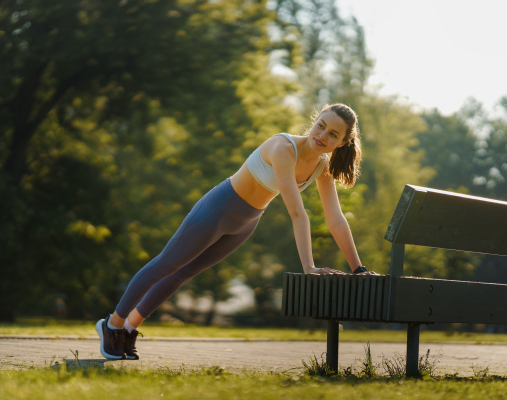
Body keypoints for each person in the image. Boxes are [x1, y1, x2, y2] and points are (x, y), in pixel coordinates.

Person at [96, 103, 375, 360]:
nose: (323, 135)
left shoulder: (322, 167)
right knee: (166, 265)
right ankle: (112, 325)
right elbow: (297, 212)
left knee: (184, 273)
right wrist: (309, 267)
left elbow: (336, 219)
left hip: (247, 222)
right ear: (315, 121)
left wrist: (358, 268)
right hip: (219, 208)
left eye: (333, 134)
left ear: (342, 142)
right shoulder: (283, 148)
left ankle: (130, 329)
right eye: (321, 125)